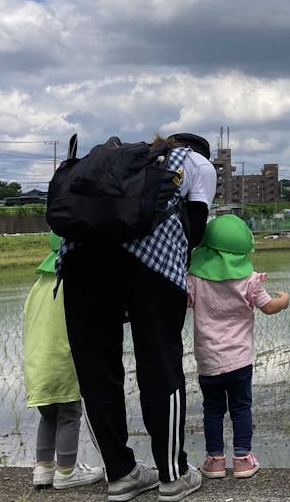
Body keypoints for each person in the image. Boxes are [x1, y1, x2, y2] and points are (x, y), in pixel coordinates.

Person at [58, 132, 216, 502]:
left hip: (79, 260)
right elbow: (195, 229)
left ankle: (121, 475)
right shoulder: (197, 163)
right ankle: (173, 475)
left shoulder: (118, 162)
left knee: (96, 371)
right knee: (159, 363)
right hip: (152, 262)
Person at [185, 214, 290, 479]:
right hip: (240, 360)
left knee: (213, 410)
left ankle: (215, 461)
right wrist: (284, 300)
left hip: (208, 360)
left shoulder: (195, 279)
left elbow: (180, 300)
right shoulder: (249, 281)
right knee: (241, 408)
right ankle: (243, 459)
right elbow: (269, 307)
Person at [24, 232, 104, 490]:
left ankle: (42, 468)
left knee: (48, 415)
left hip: (37, 363)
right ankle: (67, 472)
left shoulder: (38, 285)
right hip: (63, 361)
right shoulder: (74, 282)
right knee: (69, 413)